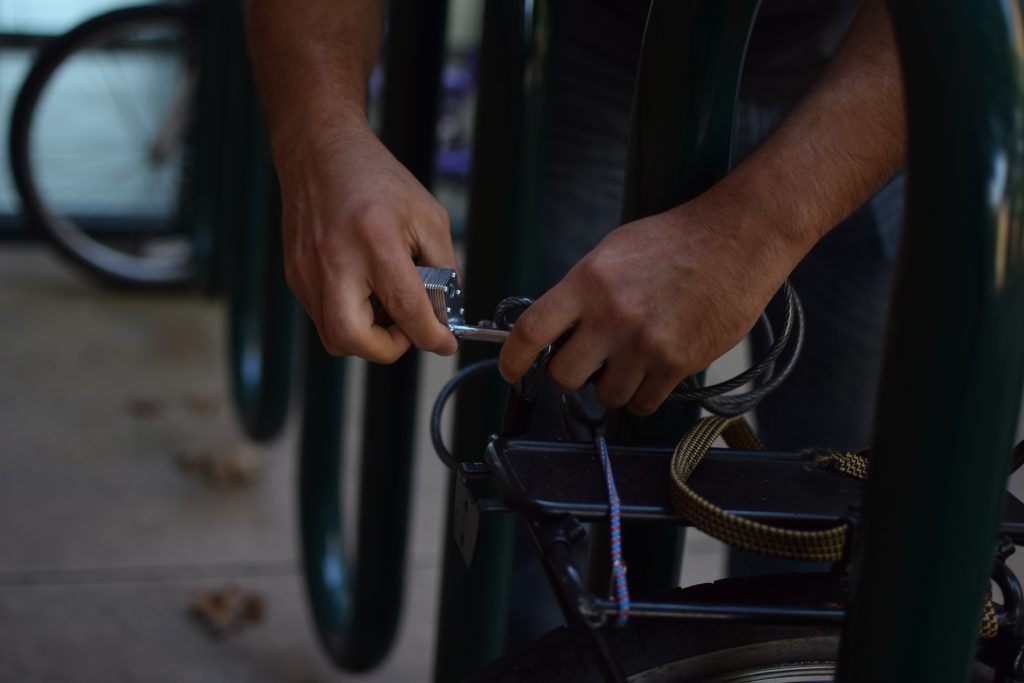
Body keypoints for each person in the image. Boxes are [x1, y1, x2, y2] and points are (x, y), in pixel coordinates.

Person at [249, 0, 904, 639]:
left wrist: (753, 230)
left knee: (833, 508)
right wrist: (321, 136)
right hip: (610, 49)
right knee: (541, 468)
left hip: (887, 62)